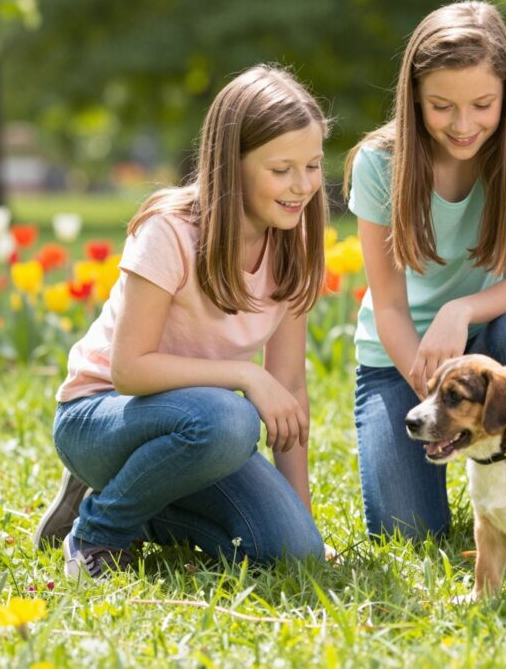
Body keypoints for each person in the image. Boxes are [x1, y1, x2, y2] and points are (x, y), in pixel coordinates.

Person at [33, 64, 329, 579]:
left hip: (197, 431)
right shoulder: (169, 232)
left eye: (313, 165)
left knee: (292, 551)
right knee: (233, 419)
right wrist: (245, 374)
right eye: (282, 170)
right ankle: (98, 531)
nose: (302, 186)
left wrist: (302, 519)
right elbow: (129, 370)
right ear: (231, 165)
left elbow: (289, 389)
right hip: (101, 417)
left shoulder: (294, 240)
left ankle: (130, 501)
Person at [344, 0, 506, 540]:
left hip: (492, 345)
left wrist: (459, 311)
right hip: (401, 358)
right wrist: (435, 398)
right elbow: (389, 308)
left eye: (483, 105)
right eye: (441, 106)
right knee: (409, 532)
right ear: (415, 98)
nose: (464, 126)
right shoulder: (379, 162)